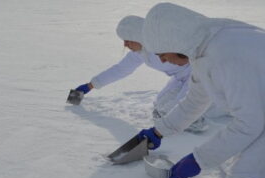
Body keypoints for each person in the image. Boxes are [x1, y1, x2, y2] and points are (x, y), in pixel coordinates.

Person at [138, 2, 265, 178]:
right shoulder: (206, 46)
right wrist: (159, 131)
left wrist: (199, 159)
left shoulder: (226, 55)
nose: (162, 61)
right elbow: (195, 100)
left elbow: (250, 122)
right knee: (232, 164)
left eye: (162, 54)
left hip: (258, 118)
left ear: (175, 42)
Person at [74, 15, 207, 132]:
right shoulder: (139, 53)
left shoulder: (164, 43)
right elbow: (120, 69)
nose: (125, 44)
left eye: (127, 39)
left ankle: (201, 119)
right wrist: (91, 85)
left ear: (137, 36)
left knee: (177, 111)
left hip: (200, 76)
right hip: (180, 79)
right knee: (160, 107)